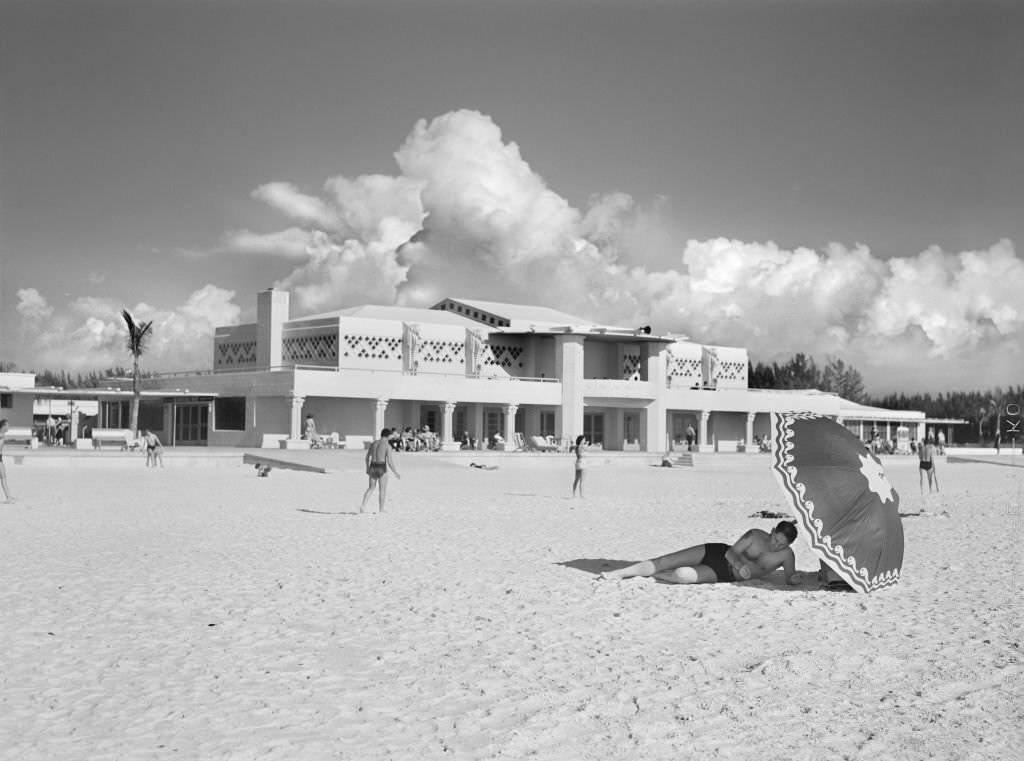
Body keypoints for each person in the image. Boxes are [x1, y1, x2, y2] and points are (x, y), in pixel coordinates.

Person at [599, 521, 801, 585]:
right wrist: (741, 566)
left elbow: (789, 577)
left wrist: (795, 579)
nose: (776, 546)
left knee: (681, 575)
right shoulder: (755, 535)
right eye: (776, 539)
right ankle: (620, 573)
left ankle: (648, 575)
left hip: (724, 575)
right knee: (666, 560)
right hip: (717, 553)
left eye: (782, 545)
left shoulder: (786, 555)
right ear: (773, 531)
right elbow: (731, 553)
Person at [360, 428, 401, 513]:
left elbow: (367, 457)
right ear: (388, 435)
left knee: (371, 488)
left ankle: (363, 505)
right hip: (381, 466)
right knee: (382, 490)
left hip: (373, 466)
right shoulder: (387, 446)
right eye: (391, 435)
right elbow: (389, 461)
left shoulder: (374, 443)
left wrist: (367, 468)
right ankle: (381, 509)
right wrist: (395, 472)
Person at [0, 419, 16, 503]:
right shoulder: (1, 434)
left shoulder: (2, 434)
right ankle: (8, 497)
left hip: (0, 457)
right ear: (3, 426)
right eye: (7, 425)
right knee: (3, 477)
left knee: (3, 477)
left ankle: (8, 497)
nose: (9, 426)